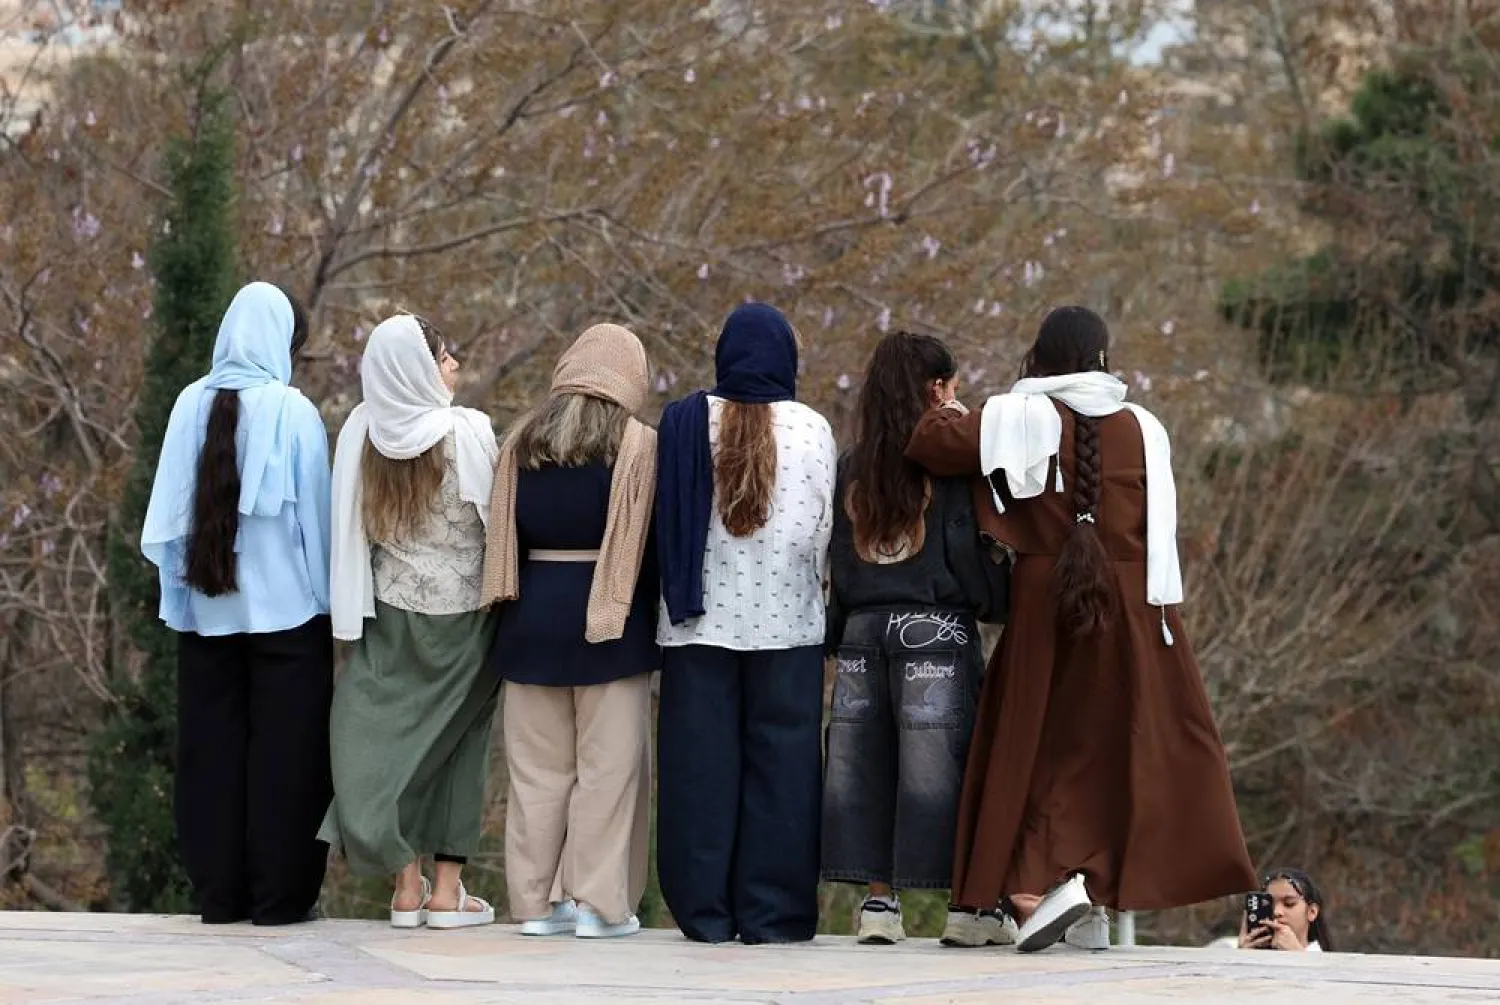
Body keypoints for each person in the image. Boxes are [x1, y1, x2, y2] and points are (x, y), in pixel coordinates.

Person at [905, 305, 1257, 953]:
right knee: (1115, 748)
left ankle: (1020, 889)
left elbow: (929, 443)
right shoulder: (1144, 427)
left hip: (1046, 599)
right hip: (1133, 606)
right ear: (1103, 357)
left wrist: (948, 405)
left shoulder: (1019, 415)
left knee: (1031, 742)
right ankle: (1089, 894)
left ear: (1041, 356)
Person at [140, 281, 333, 926]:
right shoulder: (293, 410)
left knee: (210, 755)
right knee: (289, 759)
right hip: (290, 617)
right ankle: (280, 898)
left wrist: (179, 602)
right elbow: (317, 520)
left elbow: (166, 521)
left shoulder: (187, 405)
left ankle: (217, 896)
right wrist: (333, 606)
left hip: (205, 616)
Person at [654, 302, 837, 944]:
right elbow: (823, 534)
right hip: (789, 627)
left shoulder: (682, 422)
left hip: (696, 627)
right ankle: (774, 914)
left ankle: (705, 913)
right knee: (784, 773)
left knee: (698, 772)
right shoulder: (812, 428)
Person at [821, 332, 1008, 947]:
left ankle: (879, 904)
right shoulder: (948, 463)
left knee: (865, 764)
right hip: (935, 631)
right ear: (937, 389)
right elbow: (963, 547)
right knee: (944, 771)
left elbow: (838, 556)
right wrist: (992, 598)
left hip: (861, 633)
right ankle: (965, 907)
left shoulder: (853, 464)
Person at [320, 313, 500, 930]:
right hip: (470, 620)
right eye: (444, 357)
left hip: (390, 611)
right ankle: (447, 892)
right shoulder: (470, 432)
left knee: (374, 734)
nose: (453, 366)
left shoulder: (363, 432)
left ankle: (404, 884)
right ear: (420, 369)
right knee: (460, 744)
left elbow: (347, 525)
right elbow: (495, 523)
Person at [481, 323, 659, 940]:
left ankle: (535, 905)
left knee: (536, 775)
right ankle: (598, 905)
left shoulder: (521, 441)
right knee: (608, 773)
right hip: (609, 623)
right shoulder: (638, 444)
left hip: (530, 618)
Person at [1239, 869, 1334, 952]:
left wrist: (1298, 955)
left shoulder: (1327, 963)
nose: (1276, 912)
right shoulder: (1256, 955)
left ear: (1312, 912)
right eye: (1269, 905)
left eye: (1289, 904)